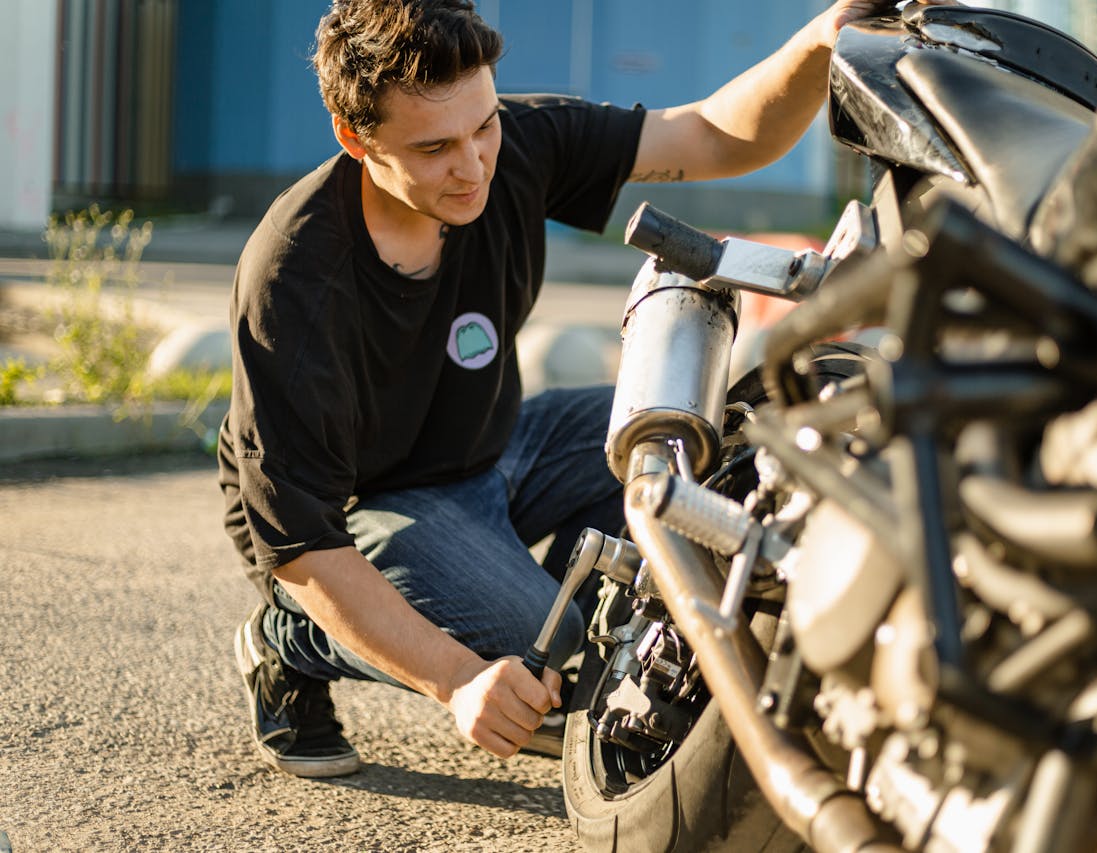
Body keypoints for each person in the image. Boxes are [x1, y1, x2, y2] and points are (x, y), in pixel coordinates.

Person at [220, 0, 909, 778]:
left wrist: (820, 42)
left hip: (495, 447)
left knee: (694, 433)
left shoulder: (519, 142)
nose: (474, 164)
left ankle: (533, 618)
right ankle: (289, 640)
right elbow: (300, 542)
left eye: (483, 126)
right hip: (361, 510)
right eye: (435, 147)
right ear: (357, 138)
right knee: (539, 652)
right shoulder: (295, 277)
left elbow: (715, 135)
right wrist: (457, 679)